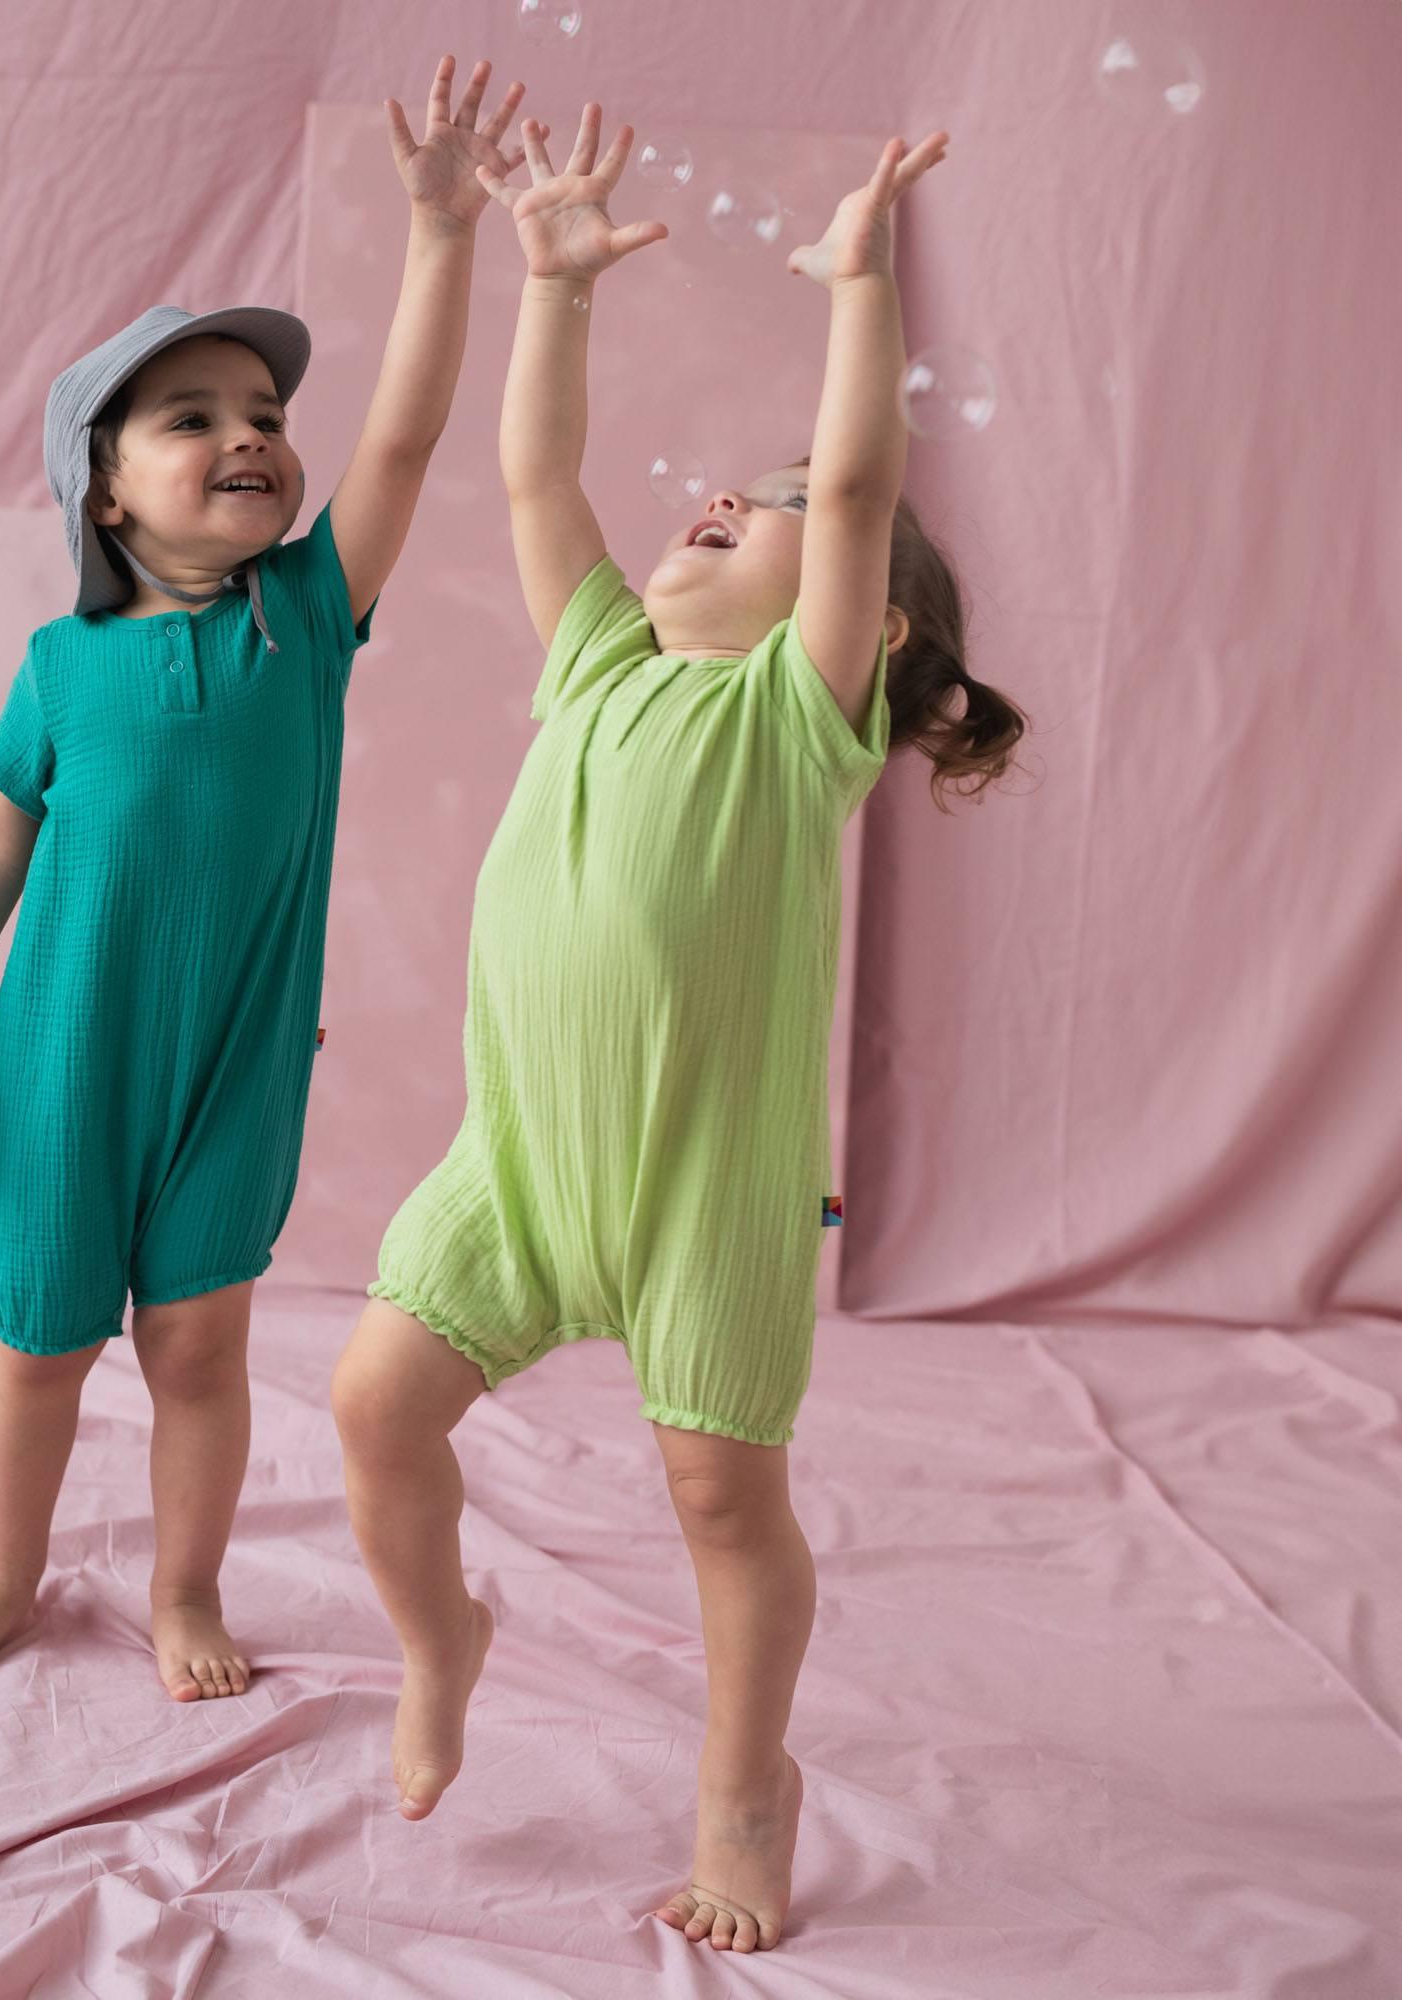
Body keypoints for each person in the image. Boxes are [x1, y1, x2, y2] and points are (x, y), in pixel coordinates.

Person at [330, 105, 1025, 1952]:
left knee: (724, 1496)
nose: (731, 495)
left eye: (773, 504)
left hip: (713, 1185)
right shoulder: (600, 660)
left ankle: (744, 1787)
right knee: (373, 1406)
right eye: (727, 485)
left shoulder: (799, 723)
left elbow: (864, 489)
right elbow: (535, 479)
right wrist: (552, 288)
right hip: (523, 1162)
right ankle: (438, 1644)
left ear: (861, 629)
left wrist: (858, 286)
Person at [0, 57, 550, 1702]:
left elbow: (401, 433)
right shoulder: (62, 663)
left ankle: (184, 1589)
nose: (250, 436)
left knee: (197, 1347)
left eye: (264, 418)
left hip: (234, 1068)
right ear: (106, 487)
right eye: (195, 419)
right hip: (58, 1060)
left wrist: (441, 233)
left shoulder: (303, 621)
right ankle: (5, 1570)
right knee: (39, 1349)